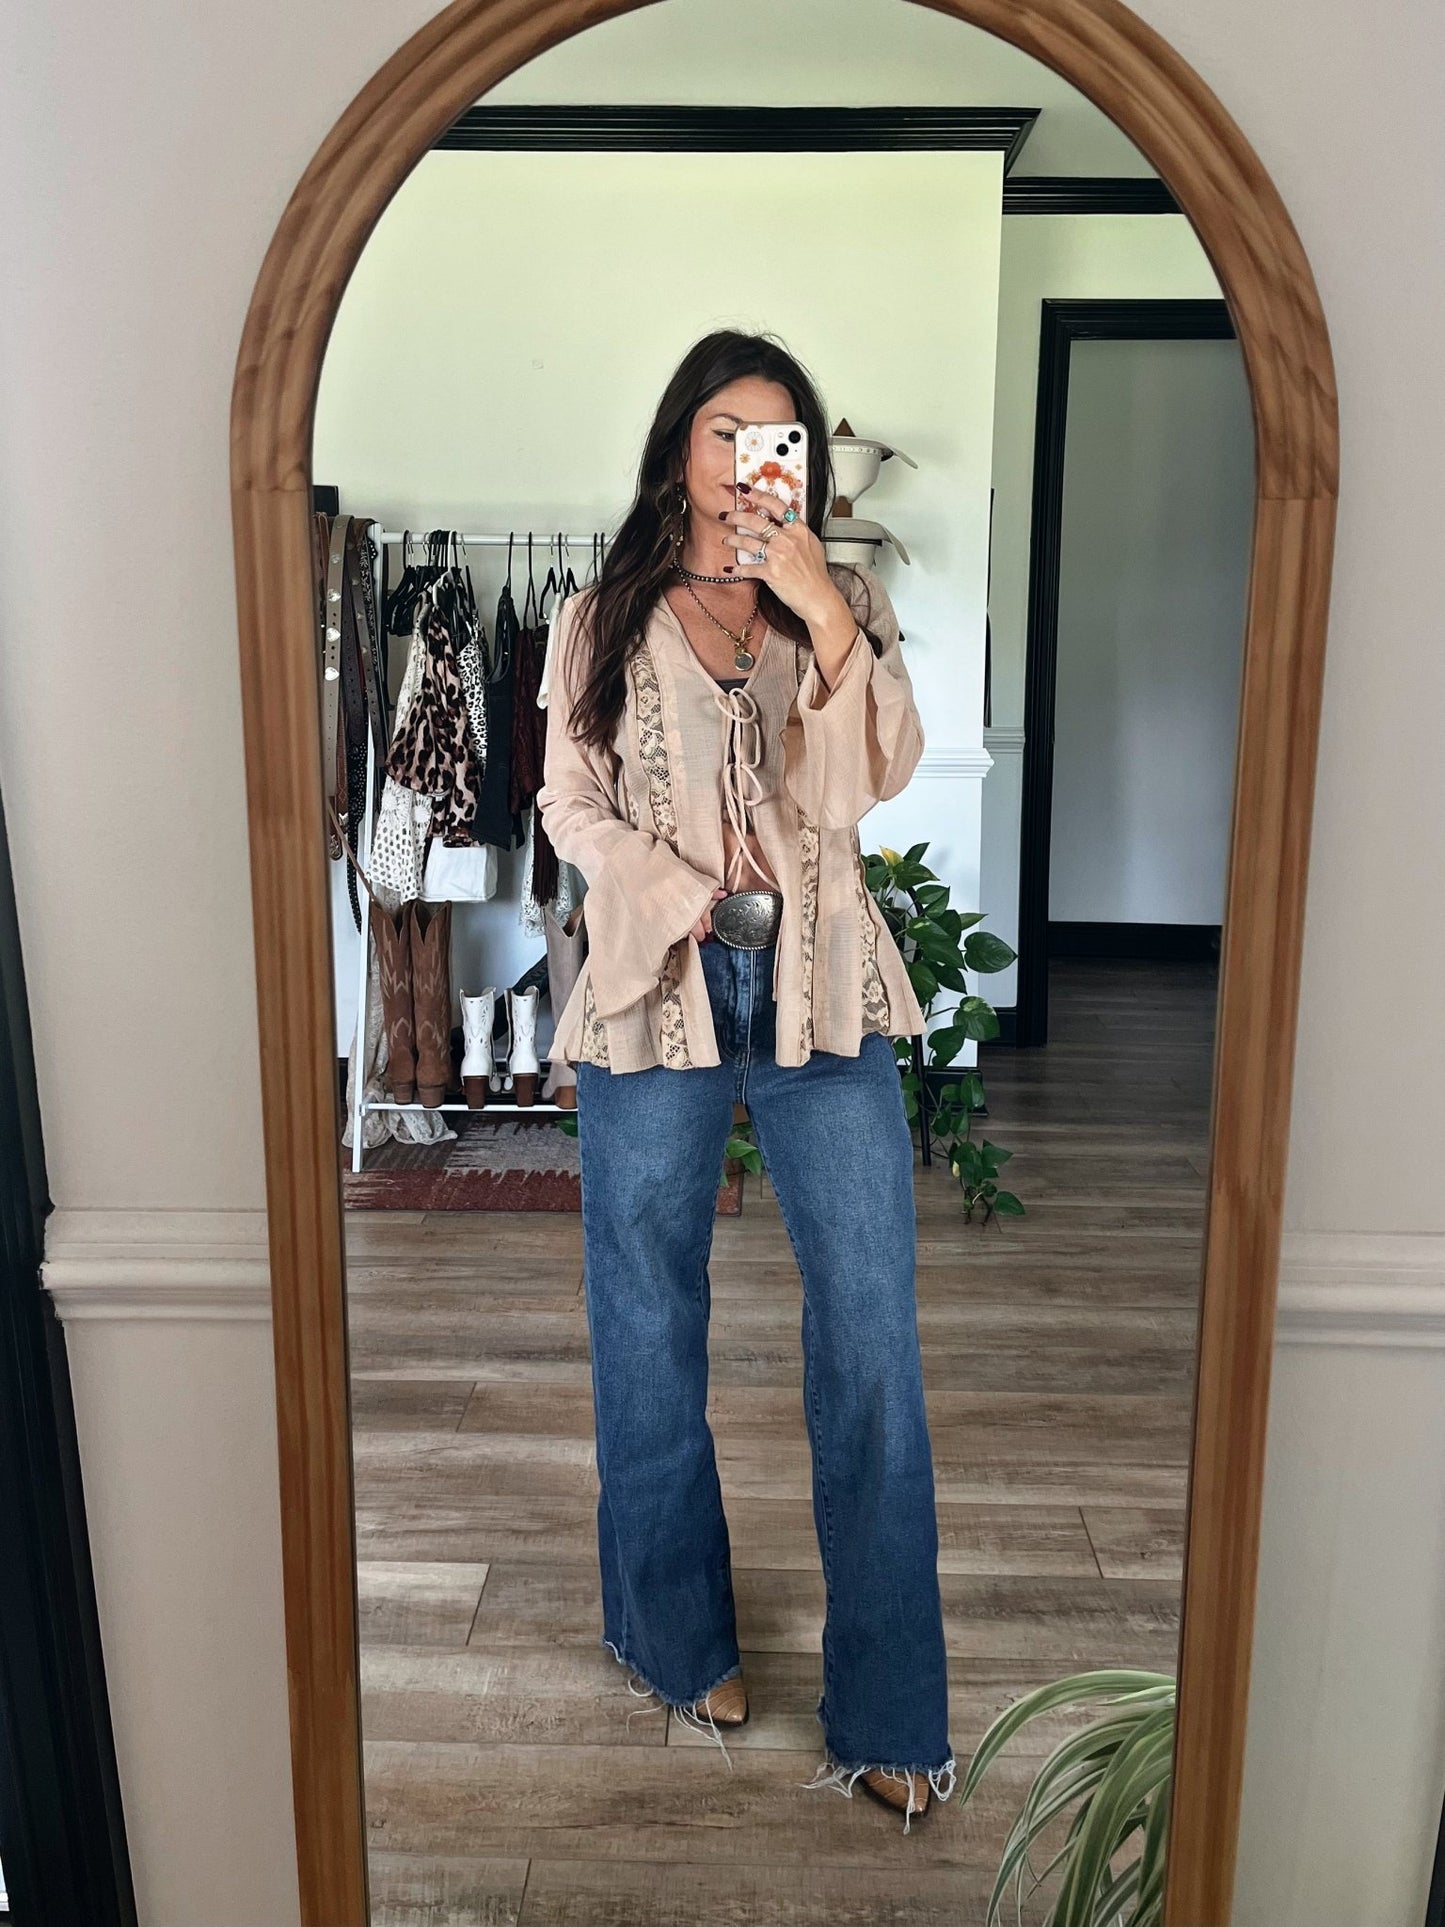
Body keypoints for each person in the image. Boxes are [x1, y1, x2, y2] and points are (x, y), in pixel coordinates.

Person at [535, 329, 954, 1831]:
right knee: (645, 1309)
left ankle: (891, 1707)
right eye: (724, 434)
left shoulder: (840, 605)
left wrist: (819, 612)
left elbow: (862, 787)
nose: (746, 466)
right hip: (659, 984)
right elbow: (565, 801)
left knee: (870, 1334)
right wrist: (655, 888)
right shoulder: (600, 613)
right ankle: (672, 1636)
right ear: (677, 449)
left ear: (805, 468)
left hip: (819, 987)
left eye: (776, 442)